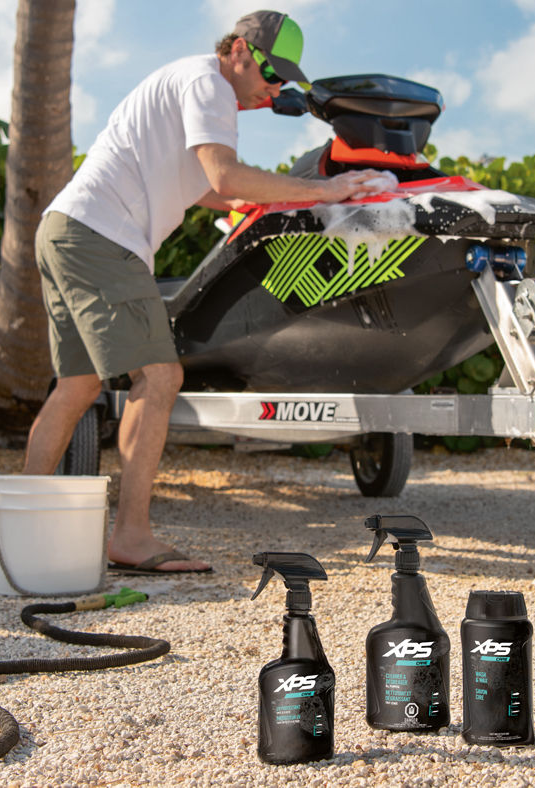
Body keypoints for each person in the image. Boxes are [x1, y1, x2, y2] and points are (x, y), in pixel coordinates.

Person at [23, 10, 390, 574]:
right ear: (240, 51)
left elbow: (209, 190)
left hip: (65, 229)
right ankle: (133, 536)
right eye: (273, 75)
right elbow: (224, 176)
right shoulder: (208, 82)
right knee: (161, 376)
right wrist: (327, 187)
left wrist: (276, 199)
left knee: (76, 386)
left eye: (285, 83)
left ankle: (23, 533)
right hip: (101, 237)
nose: (276, 91)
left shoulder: (191, 86)